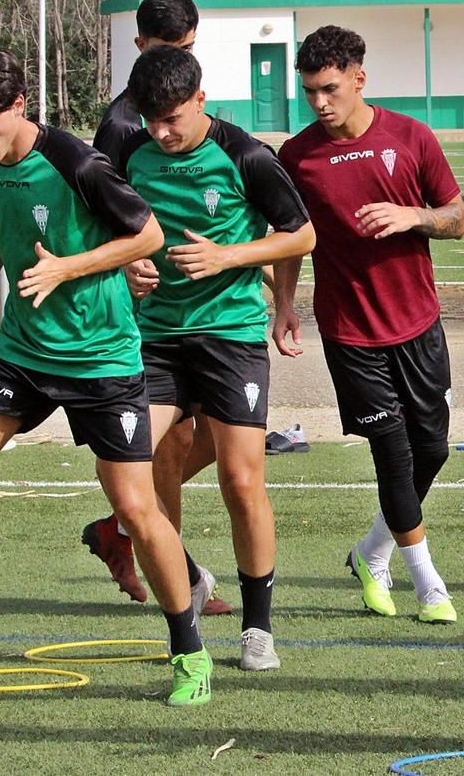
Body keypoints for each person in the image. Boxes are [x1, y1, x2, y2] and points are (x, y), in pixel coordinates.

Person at [0, 45, 211, 707]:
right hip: (23, 354)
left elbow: (145, 238)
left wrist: (68, 266)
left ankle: (189, 651)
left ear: (20, 106)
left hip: (102, 359)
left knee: (136, 507)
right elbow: (4, 222)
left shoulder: (76, 161)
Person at [119, 45, 315, 669]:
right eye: (151, 120)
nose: (161, 132)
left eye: (172, 117)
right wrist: (130, 267)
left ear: (201, 100)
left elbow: (301, 234)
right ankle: (191, 587)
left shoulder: (247, 155)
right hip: (155, 338)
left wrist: (232, 260)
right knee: (138, 476)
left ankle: (258, 629)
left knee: (240, 480)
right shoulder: (131, 152)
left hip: (229, 335)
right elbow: (113, 230)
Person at [276, 25, 464, 624]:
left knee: (430, 449)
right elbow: (288, 240)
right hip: (349, 331)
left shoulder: (411, 137)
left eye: (330, 89)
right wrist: (284, 302)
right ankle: (427, 583)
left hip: (418, 322)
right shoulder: (297, 157)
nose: (320, 103)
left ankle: (370, 553)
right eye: (309, 92)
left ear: (360, 78)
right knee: (391, 450)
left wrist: (412, 216)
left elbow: (457, 219)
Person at [83, 0, 231, 616]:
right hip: (149, 316)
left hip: (210, 313)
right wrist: (129, 267)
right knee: (163, 444)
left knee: (226, 438)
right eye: (165, 55)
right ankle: (185, 585)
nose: (174, 76)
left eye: (187, 54)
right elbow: (99, 216)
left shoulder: (195, 119)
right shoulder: (123, 126)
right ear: (137, 46)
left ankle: (122, 526)